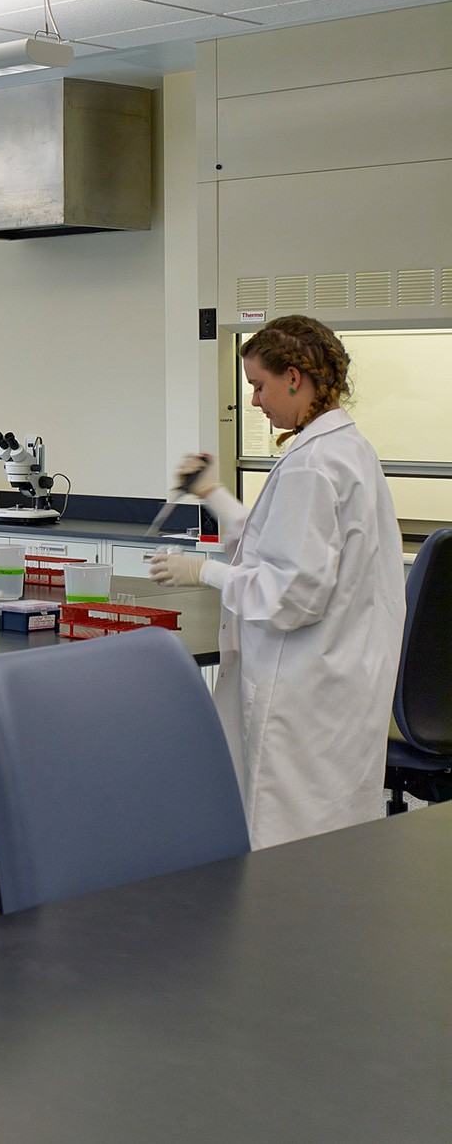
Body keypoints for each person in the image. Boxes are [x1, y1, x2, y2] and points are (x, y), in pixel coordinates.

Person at [148, 314, 403, 849]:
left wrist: (207, 572)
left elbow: (291, 597)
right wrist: (213, 492)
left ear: (295, 377)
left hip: (306, 690)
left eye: (259, 386)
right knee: (335, 838)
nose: (256, 401)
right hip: (341, 681)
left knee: (286, 845)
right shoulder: (345, 450)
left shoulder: (314, 464)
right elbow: (278, 542)